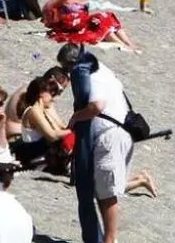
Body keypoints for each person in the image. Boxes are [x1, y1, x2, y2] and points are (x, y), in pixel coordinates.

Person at [67, 55, 158, 242]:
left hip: (110, 138)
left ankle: (110, 239)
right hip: (116, 136)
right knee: (104, 188)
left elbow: (97, 106)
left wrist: (76, 117)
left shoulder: (92, 76)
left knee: (107, 194)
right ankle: (140, 180)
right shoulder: (106, 73)